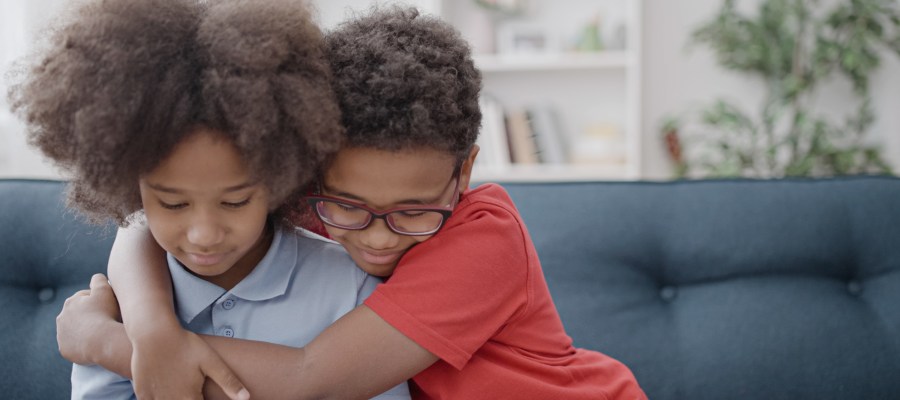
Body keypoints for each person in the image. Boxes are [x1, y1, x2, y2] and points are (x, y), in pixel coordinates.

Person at [54, 6, 647, 399]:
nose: (379, 237)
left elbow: (310, 380)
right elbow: (145, 222)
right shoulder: (316, 201)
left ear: (464, 171)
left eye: (415, 210)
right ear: (304, 170)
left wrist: (110, 343)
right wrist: (155, 327)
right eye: (350, 208)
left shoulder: (485, 239)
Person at [8, 0, 410, 399]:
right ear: (130, 187)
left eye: (234, 203)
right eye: (173, 204)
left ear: (282, 178)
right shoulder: (117, 306)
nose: (203, 235)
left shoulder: (351, 289)